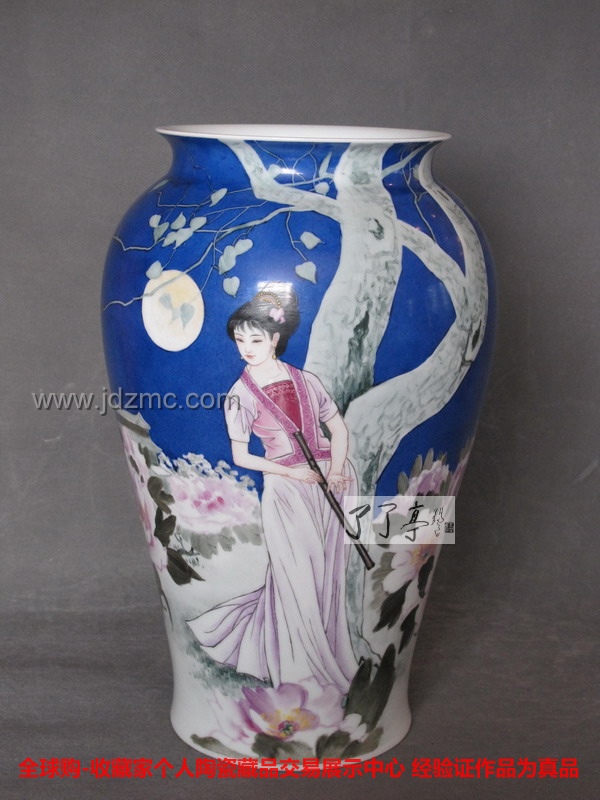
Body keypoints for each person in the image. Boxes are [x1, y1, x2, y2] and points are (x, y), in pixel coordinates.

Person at [187, 286, 359, 692]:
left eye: (256, 339)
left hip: (333, 482)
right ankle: (300, 670)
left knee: (328, 576)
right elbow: (242, 455)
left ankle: (335, 657)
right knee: (296, 574)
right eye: (240, 341)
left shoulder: (307, 381)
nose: (247, 349)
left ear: (275, 338)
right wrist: (292, 474)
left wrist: (336, 471)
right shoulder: (239, 395)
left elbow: (337, 429)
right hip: (287, 489)